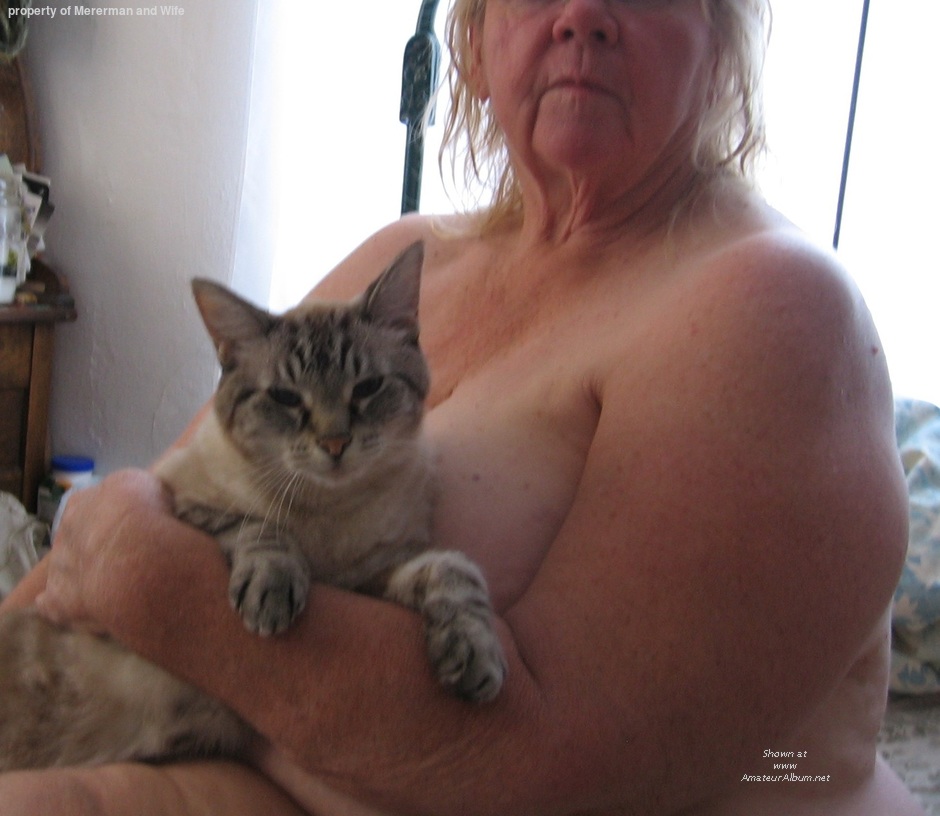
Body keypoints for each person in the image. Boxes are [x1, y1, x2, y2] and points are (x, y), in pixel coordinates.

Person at [0, 0, 925, 813]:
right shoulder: (407, 254)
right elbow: (161, 504)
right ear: (476, 47)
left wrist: (143, 574)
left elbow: (548, 762)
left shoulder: (771, 306)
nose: (582, 13)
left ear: (721, 45)